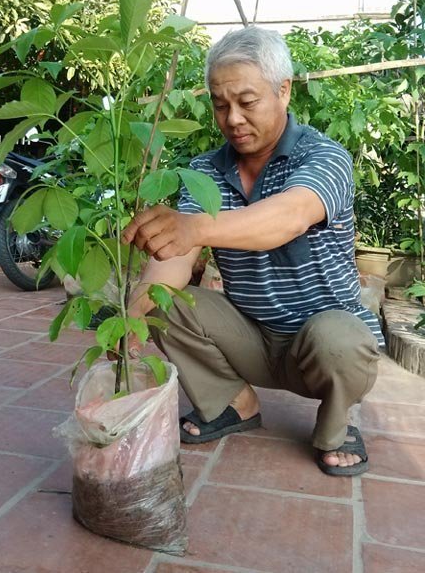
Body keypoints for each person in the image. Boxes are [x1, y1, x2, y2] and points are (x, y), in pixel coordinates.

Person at [122, 27, 382, 477]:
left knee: (341, 340)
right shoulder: (206, 171)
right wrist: (130, 317)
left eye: (247, 101)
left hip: (321, 344)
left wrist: (194, 226)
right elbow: (175, 259)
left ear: (283, 91)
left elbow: (288, 217)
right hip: (251, 336)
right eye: (220, 105)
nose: (233, 119)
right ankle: (235, 403)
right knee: (164, 303)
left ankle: (335, 429)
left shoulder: (324, 157)